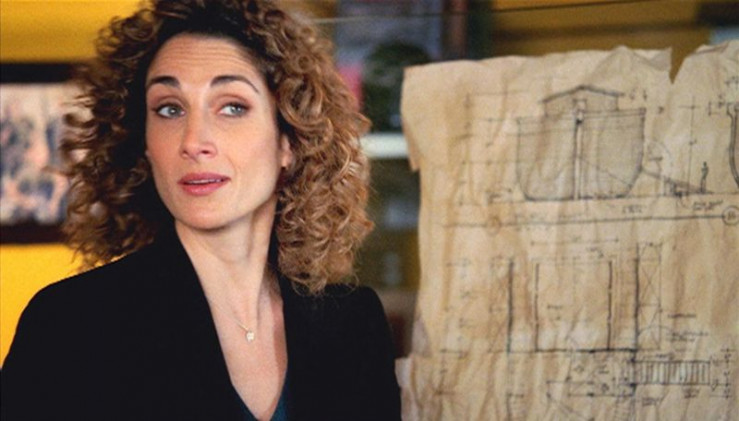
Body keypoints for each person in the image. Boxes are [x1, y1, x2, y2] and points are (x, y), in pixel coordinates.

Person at [1, 0, 401, 419]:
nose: (193, 141)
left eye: (232, 107)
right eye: (169, 109)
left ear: (289, 140)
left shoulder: (354, 323)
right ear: (145, 144)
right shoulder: (72, 324)